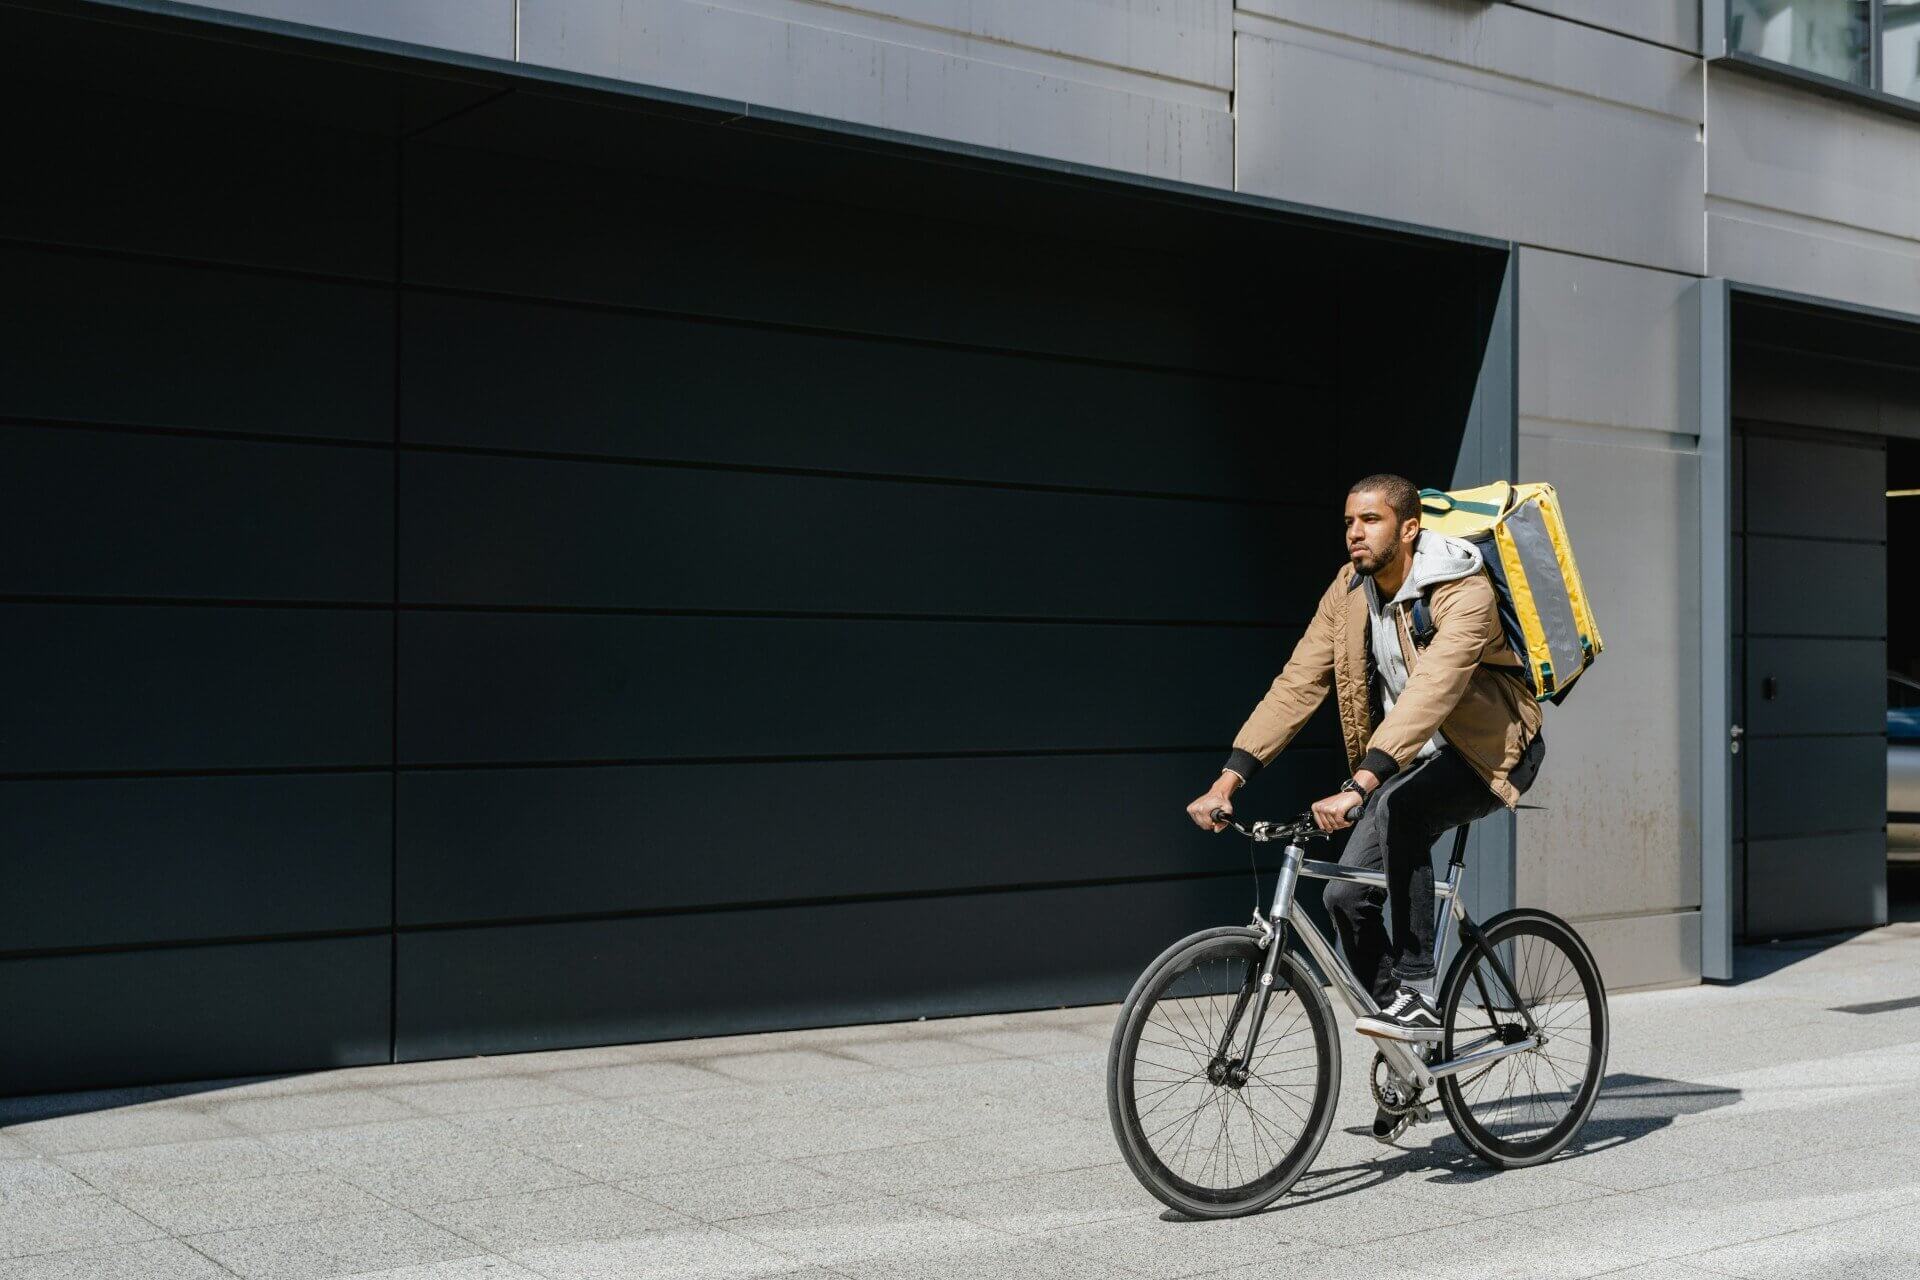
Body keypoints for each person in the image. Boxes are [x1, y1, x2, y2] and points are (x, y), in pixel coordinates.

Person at [1185, 473, 1545, 1139]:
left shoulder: (1463, 589)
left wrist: (1363, 781)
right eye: (1349, 520)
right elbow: (1298, 684)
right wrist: (1229, 779)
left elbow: (1432, 689)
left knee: (1405, 813)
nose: (1355, 531)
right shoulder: (1347, 593)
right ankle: (1407, 1054)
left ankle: (1419, 992)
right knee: (1345, 900)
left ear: (1408, 529)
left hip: (1491, 749)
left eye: (1371, 520)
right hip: (1404, 759)